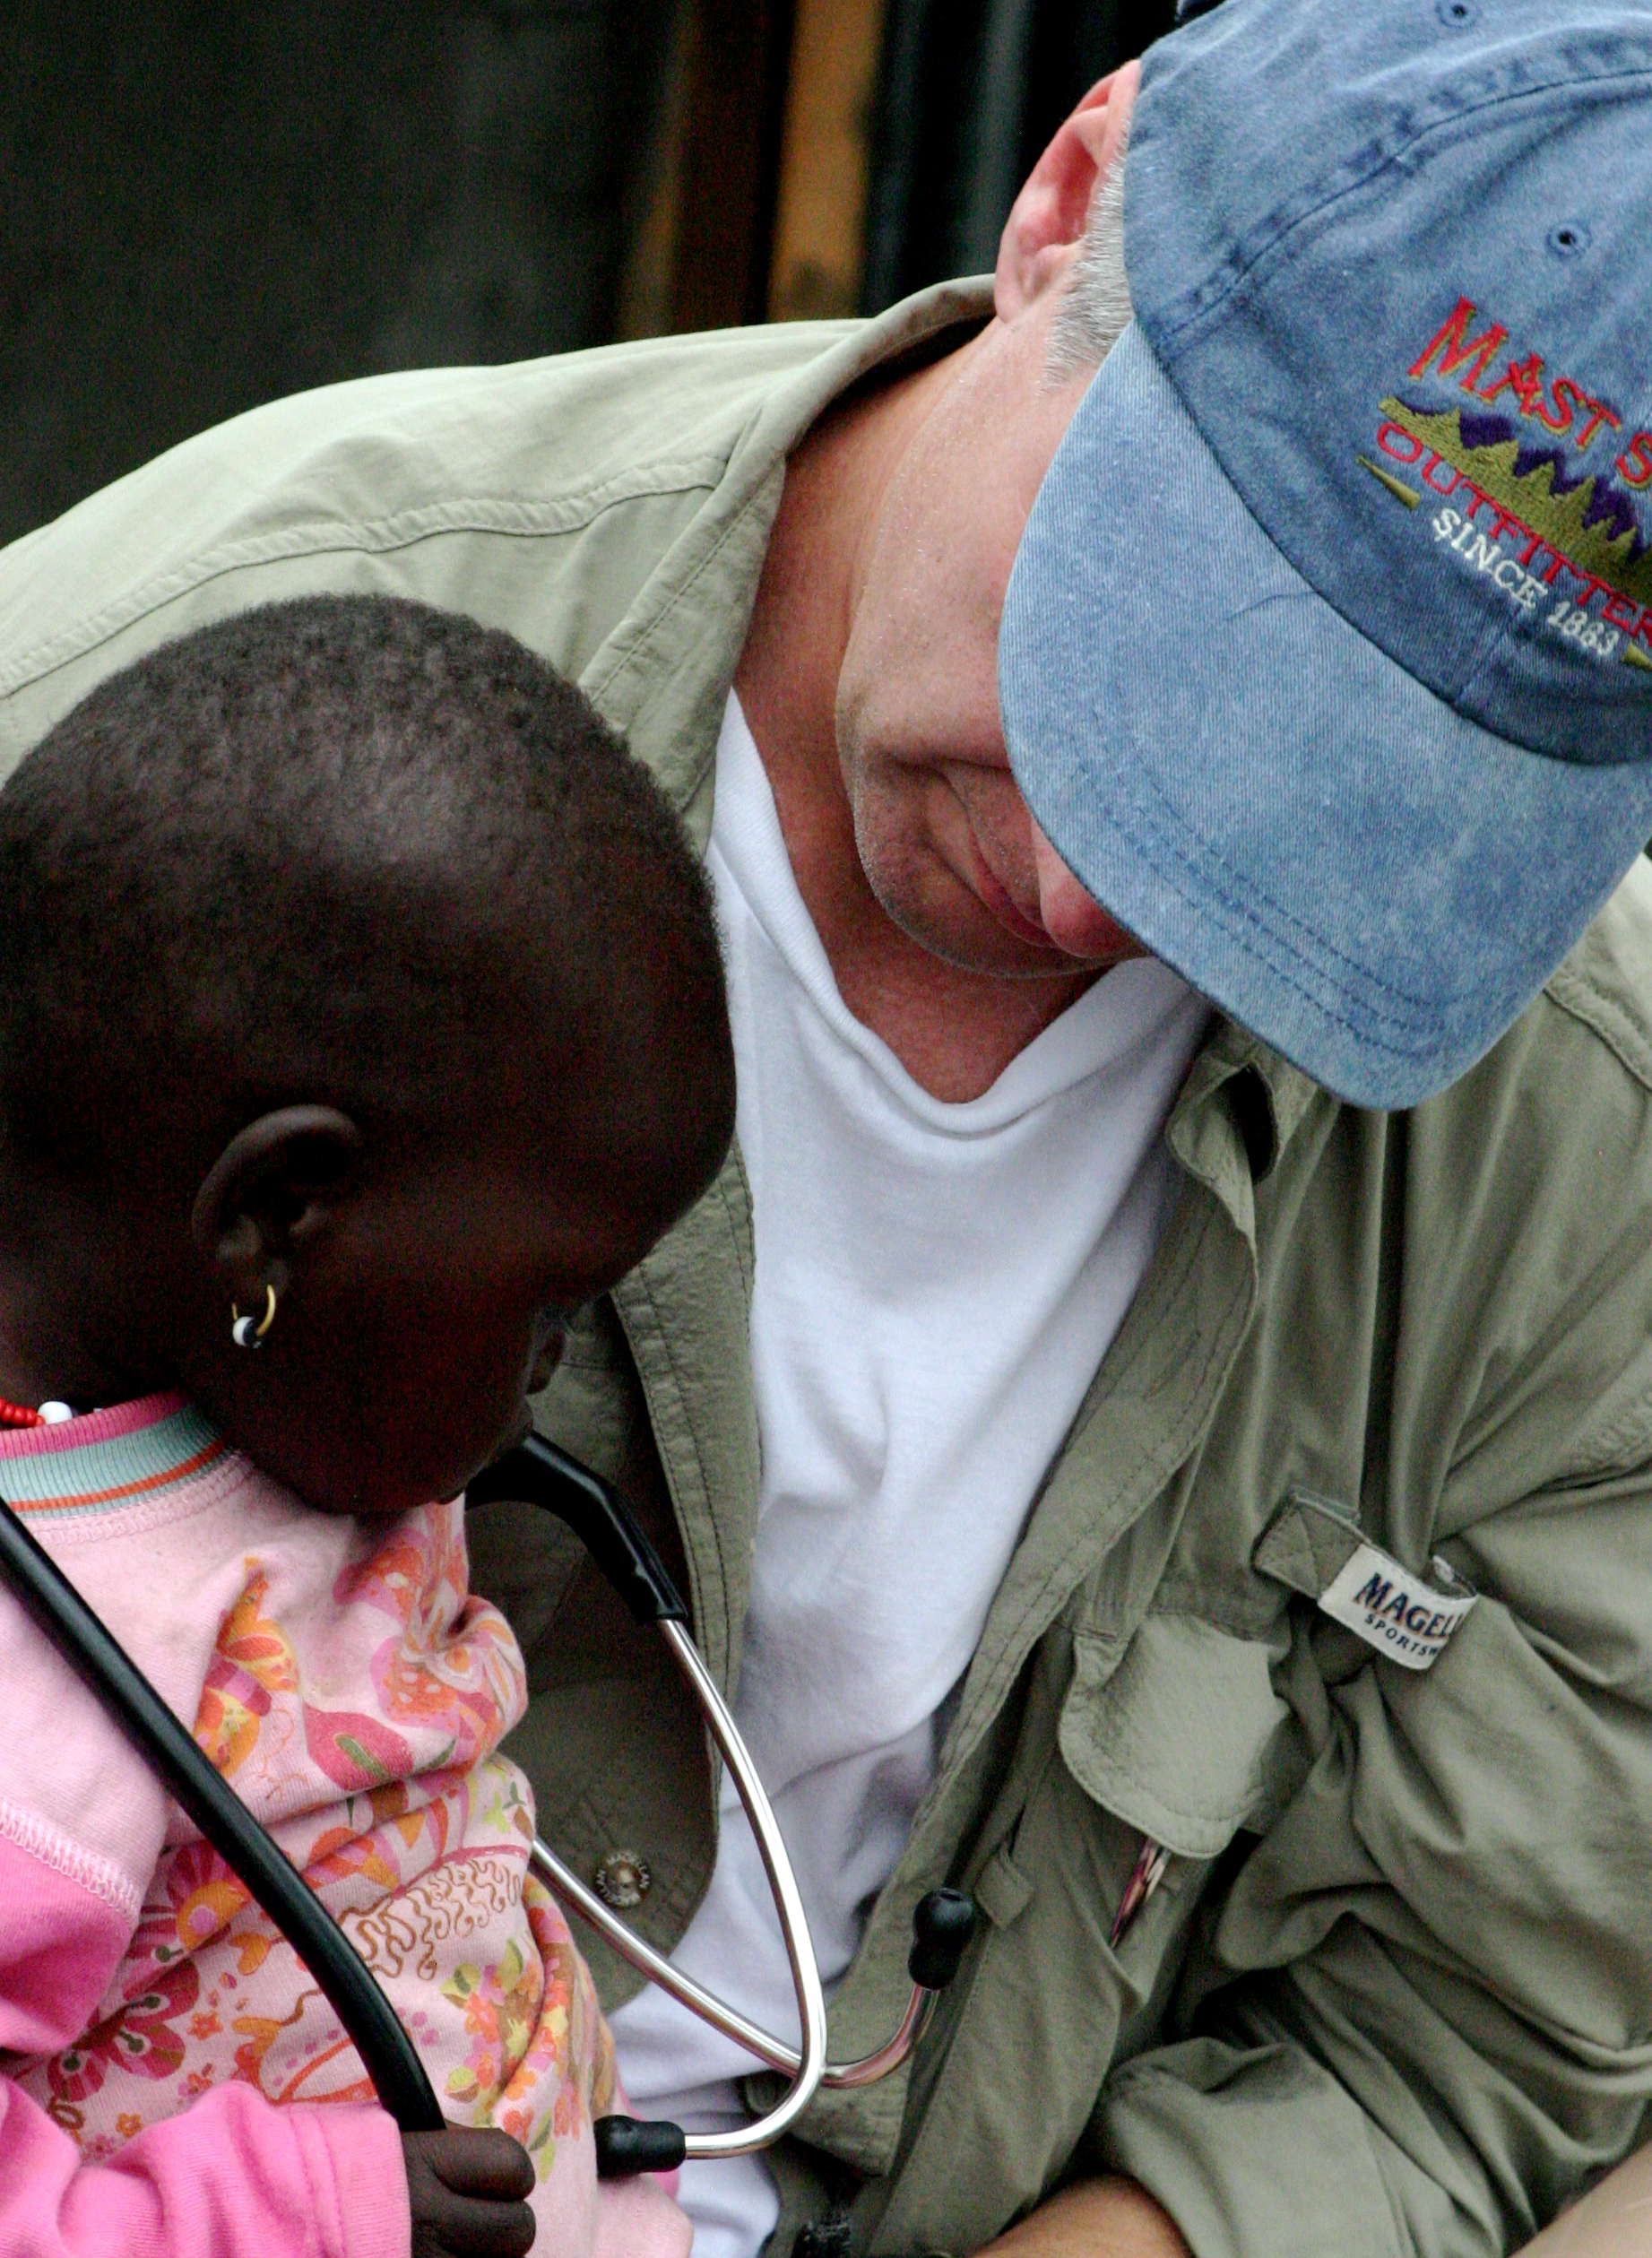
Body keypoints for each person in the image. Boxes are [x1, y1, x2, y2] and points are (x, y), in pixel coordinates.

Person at [1, 0, 1650, 2251]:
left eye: (1335, 826)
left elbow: (1448, 2055)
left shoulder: (1583, 1143)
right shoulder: (147, 690)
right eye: (1139, 660)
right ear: (1067, 202)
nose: (1088, 899)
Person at [0, 594, 731, 2258]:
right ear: (273, 1218)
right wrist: (294, 2225)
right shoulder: (32, 1693)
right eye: (548, 1308)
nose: (554, 1368)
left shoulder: (279, 1390)